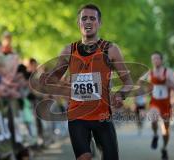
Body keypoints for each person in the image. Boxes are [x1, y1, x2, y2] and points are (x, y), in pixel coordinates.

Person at [40, 4, 133, 160]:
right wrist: (47, 79)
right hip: (77, 117)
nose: (88, 22)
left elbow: (128, 82)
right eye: (84, 18)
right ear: (79, 23)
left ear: (99, 23)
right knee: (84, 157)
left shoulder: (110, 49)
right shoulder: (69, 50)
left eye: (92, 18)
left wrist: (121, 94)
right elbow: (55, 77)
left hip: (102, 116)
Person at [146, 51, 174, 160]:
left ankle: (164, 148)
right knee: (153, 119)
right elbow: (148, 88)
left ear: (161, 60)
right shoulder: (150, 73)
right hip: (155, 101)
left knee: (166, 130)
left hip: (165, 102)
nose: (155, 61)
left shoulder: (168, 72)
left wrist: (168, 82)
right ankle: (155, 135)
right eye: (153, 59)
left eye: (157, 58)